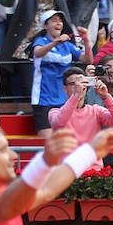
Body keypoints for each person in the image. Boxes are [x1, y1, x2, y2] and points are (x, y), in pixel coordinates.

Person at [32, 10, 93, 138]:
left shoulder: (67, 46)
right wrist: (56, 42)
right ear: (45, 26)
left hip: (65, 101)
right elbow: (37, 53)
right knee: (47, 143)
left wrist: (86, 40)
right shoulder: (41, 41)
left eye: (60, 20)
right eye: (54, 20)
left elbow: (88, 60)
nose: (58, 23)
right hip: (43, 100)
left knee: (65, 141)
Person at [49, 67, 113, 169]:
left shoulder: (96, 110)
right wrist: (76, 96)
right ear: (65, 88)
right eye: (73, 84)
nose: (78, 86)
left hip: (93, 171)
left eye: (81, 82)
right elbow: (60, 123)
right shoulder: (55, 112)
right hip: (66, 171)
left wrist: (106, 96)